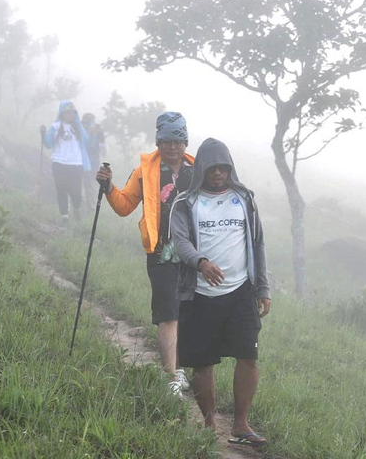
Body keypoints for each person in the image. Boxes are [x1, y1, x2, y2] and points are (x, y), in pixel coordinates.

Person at [170, 137, 271, 447]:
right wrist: (201, 263)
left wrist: (263, 287)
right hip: (199, 294)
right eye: (212, 168)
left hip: (240, 292)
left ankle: (241, 425)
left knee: (248, 356)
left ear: (230, 169)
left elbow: (257, 243)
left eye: (223, 168)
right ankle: (209, 423)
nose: (218, 173)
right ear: (201, 168)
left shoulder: (245, 199)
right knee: (203, 362)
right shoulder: (185, 202)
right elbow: (180, 242)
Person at [95, 112, 193, 395]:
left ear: (185, 142)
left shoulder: (198, 170)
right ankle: (171, 377)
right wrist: (109, 187)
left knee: (187, 313)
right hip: (161, 253)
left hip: (193, 255)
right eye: (166, 141)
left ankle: (180, 368)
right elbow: (125, 205)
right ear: (158, 141)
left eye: (177, 141)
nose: (171, 146)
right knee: (168, 313)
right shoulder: (145, 171)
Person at [41, 101, 91, 223]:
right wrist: (43, 134)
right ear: (62, 113)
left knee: (76, 190)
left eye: (72, 112)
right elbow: (48, 144)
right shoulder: (55, 126)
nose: (69, 115)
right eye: (67, 112)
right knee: (61, 188)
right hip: (59, 162)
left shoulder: (78, 127)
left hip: (76, 163)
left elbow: (86, 141)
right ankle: (64, 215)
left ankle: (76, 207)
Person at [81, 113, 107, 207]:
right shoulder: (79, 130)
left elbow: (103, 151)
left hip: (90, 162)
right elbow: (104, 151)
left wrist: (101, 136)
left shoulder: (97, 133)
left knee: (89, 183)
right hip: (83, 161)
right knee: (84, 184)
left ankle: (89, 206)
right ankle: (83, 206)